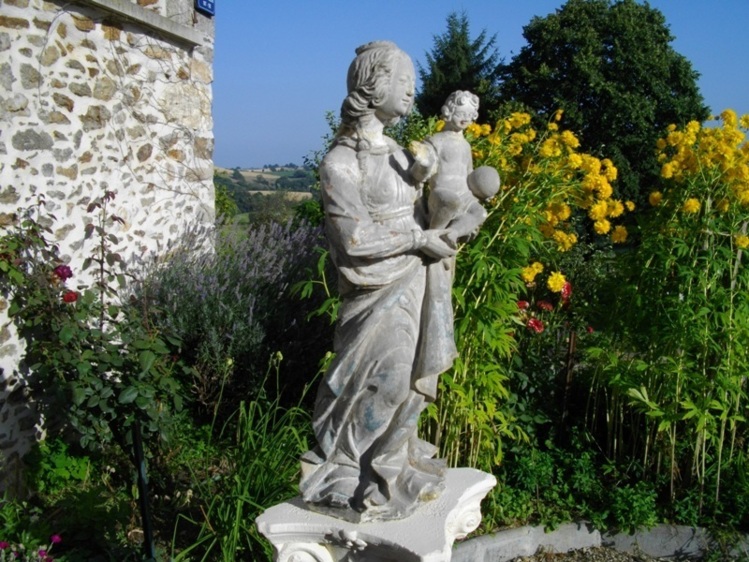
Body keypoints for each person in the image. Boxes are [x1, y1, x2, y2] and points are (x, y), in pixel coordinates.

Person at [299, 41, 458, 523]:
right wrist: (417, 237)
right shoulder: (339, 163)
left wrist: (436, 197)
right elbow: (352, 239)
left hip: (414, 277)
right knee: (382, 380)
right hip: (374, 287)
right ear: (373, 87)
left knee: (410, 379)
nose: (412, 92)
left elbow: (422, 215)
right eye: (403, 83)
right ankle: (343, 464)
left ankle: (390, 460)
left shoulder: (402, 154)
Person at [411, 90, 499, 243]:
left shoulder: (466, 145)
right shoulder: (437, 140)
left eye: (469, 115)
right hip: (442, 193)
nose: (465, 118)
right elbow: (426, 164)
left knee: (480, 213)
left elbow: (469, 172)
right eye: (461, 114)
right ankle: (433, 236)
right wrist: (423, 158)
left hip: (464, 194)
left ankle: (453, 233)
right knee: (451, 202)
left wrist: (485, 189)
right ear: (448, 112)